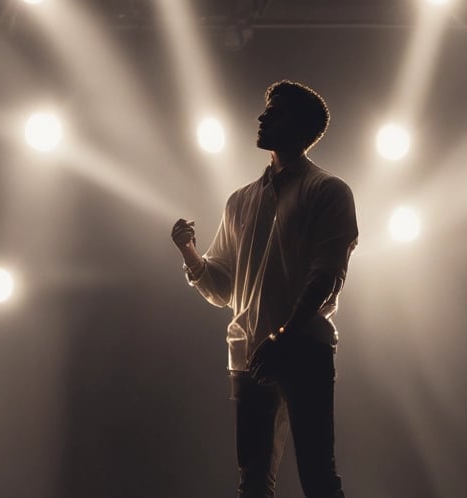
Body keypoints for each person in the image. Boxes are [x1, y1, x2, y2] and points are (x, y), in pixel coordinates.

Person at [171, 80, 357, 498]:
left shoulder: (328, 191)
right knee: (255, 483)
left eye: (275, 112)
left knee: (317, 479)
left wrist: (283, 338)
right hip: (251, 354)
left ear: (301, 127)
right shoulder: (239, 201)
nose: (262, 117)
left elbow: (327, 277)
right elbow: (224, 287)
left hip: (302, 349)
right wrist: (190, 252)